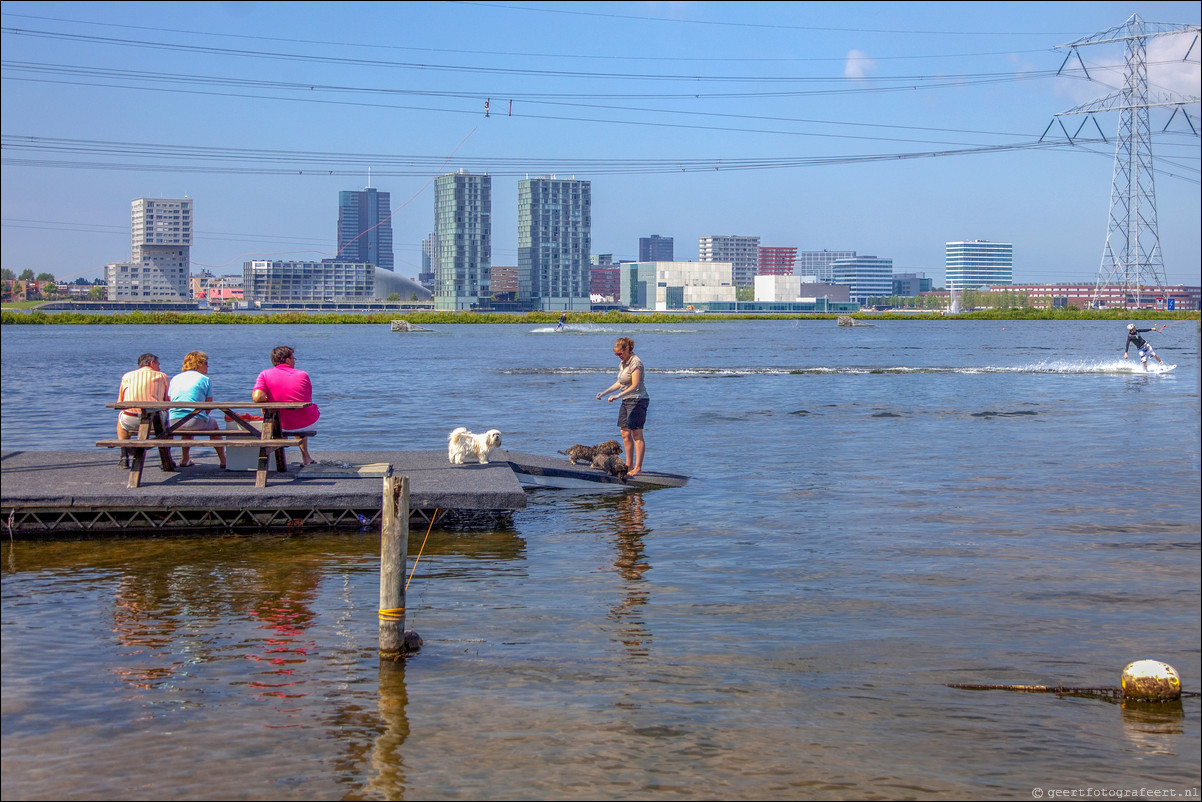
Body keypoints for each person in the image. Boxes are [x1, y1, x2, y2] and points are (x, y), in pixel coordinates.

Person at [252, 345, 320, 466]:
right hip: (305, 423)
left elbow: (257, 397)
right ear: (287, 360)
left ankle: (277, 457)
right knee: (302, 414)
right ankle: (306, 458)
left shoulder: (265, 374)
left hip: (280, 424)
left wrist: (266, 402)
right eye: (293, 358)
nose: (294, 361)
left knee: (278, 417)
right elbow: (307, 399)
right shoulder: (303, 374)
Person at [596, 336, 649, 477]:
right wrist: (605, 392)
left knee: (636, 433)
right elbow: (621, 382)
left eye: (620, 353)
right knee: (624, 433)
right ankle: (628, 464)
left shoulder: (635, 362)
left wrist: (618, 396)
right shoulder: (623, 363)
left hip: (638, 400)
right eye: (616, 354)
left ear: (627, 349)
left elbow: (635, 385)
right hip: (626, 400)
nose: (618, 356)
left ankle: (637, 468)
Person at [116, 352, 175, 472]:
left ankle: (124, 456)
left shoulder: (127, 376)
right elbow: (166, 402)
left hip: (130, 419)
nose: (159, 367)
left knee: (121, 421)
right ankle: (166, 459)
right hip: (155, 421)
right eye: (158, 364)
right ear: (152, 363)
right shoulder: (162, 376)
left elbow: (120, 402)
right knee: (166, 425)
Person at [168, 351, 227, 468]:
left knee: (186, 420)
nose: (208, 366)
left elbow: (170, 400)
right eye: (206, 363)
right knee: (214, 424)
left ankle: (185, 458)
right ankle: (223, 460)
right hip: (194, 420)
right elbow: (208, 405)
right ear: (198, 363)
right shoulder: (204, 379)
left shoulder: (175, 378)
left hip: (173, 422)